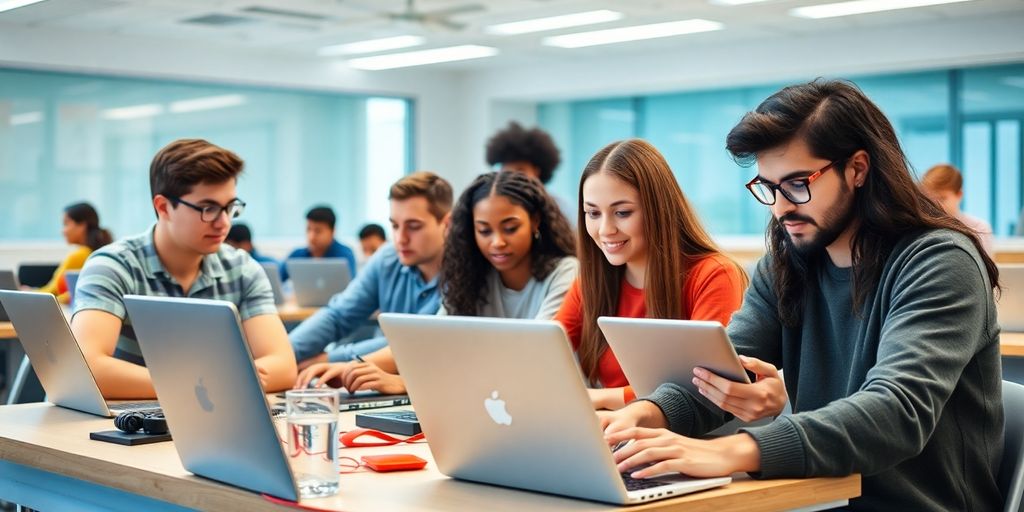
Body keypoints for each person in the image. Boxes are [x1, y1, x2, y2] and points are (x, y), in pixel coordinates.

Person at [602, 80, 1003, 511]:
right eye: (768, 187)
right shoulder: (786, 262)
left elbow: (897, 411)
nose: (780, 207)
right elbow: (722, 370)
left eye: (796, 184)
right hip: (816, 500)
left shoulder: (940, 261)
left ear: (858, 169)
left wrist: (730, 451)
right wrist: (642, 416)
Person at [296, 171, 579, 393]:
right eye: (483, 230)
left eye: (510, 228)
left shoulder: (565, 273)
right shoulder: (472, 274)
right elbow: (430, 343)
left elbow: (532, 356)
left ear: (536, 221)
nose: (497, 242)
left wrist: (407, 383)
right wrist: (347, 368)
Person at [71, 139, 298, 399]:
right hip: (117, 427)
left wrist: (208, 385)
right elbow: (87, 370)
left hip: (206, 421)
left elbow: (283, 366)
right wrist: (202, 385)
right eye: (208, 209)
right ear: (163, 206)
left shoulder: (242, 269)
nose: (223, 223)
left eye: (230, 207)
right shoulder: (113, 265)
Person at [554, 139, 747, 411]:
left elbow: (702, 385)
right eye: (593, 213)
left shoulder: (714, 275)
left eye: (622, 212)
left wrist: (600, 398)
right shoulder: (591, 283)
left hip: (685, 437)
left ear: (658, 209)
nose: (605, 229)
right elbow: (543, 356)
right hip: (615, 432)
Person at [288, 172, 451, 370]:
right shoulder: (387, 258)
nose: (400, 238)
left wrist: (329, 360)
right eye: (395, 226)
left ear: (447, 224)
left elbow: (415, 345)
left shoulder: (465, 272)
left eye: (414, 227)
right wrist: (285, 355)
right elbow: (338, 316)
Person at [486, 121, 574, 223]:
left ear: (537, 171)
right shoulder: (493, 205)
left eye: (520, 170)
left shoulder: (563, 207)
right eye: (506, 171)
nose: (512, 177)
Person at [37, 202, 112, 303]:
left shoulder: (80, 256)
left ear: (82, 225)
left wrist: (27, 293)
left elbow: (52, 291)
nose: (63, 231)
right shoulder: (99, 253)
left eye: (66, 224)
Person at [920, 163, 995, 255]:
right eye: (929, 199)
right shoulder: (921, 227)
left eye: (941, 198)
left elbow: (985, 268)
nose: (935, 204)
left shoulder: (979, 228)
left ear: (959, 195)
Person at [280, 206, 357, 282]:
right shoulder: (296, 255)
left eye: (318, 231)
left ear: (332, 231)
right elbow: (278, 280)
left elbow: (351, 289)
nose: (311, 236)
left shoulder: (344, 256)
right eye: (308, 229)